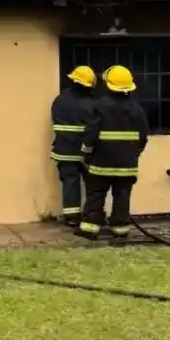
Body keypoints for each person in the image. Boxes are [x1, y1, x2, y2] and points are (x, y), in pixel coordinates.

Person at [76, 65, 149, 243]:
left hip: (101, 163)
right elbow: (143, 137)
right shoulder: (136, 109)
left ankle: (90, 228)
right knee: (122, 195)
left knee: (96, 194)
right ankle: (120, 229)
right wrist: (134, 154)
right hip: (127, 165)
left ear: (108, 85)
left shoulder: (100, 105)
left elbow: (92, 133)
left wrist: (85, 153)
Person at [50, 65, 97, 226]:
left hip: (64, 150)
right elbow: (94, 128)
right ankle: (93, 215)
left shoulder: (60, 100)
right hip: (86, 152)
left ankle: (71, 217)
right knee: (93, 185)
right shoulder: (92, 104)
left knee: (70, 183)